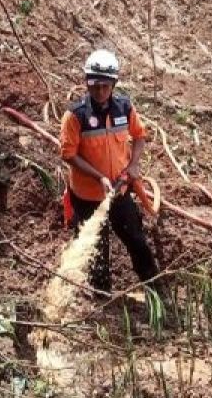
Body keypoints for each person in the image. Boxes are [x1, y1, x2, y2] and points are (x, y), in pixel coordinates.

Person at [59, 50, 159, 294]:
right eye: (95, 85)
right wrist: (100, 177)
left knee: (136, 240)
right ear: (87, 82)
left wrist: (134, 164)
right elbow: (68, 154)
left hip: (120, 192)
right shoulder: (76, 116)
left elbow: (140, 135)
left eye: (105, 86)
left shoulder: (124, 108)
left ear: (114, 84)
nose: (100, 91)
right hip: (87, 197)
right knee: (96, 250)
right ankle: (101, 297)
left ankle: (154, 287)